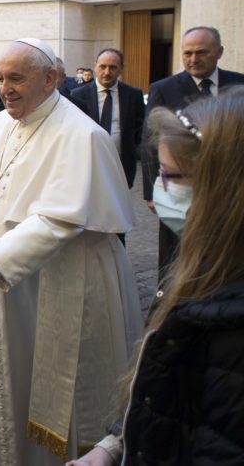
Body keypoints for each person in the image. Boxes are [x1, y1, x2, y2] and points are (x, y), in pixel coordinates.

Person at [0, 38, 142, 465]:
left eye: (16, 78)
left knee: (50, 390)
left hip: (58, 286)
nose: (5, 88)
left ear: (51, 79)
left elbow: (59, 221)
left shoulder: (82, 135)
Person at [68, 88, 244, 466]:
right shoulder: (203, 264)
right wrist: (114, 446)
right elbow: (171, 399)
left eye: (172, 176)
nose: (160, 189)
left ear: (226, 187)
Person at [143, 26, 244, 278]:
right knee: (175, 253)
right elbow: (150, 144)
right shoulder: (164, 88)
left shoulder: (239, 85)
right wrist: (151, 193)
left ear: (219, 52)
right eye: (187, 53)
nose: (193, 59)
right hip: (179, 187)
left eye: (201, 52)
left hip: (228, 190)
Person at [70, 48, 145, 189]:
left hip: (121, 166)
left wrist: (132, 149)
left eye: (112, 67)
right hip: (87, 166)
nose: (107, 72)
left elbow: (139, 129)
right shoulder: (77, 95)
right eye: (102, 66)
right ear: (95, 66)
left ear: (121, 68)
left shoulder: (133, 95)